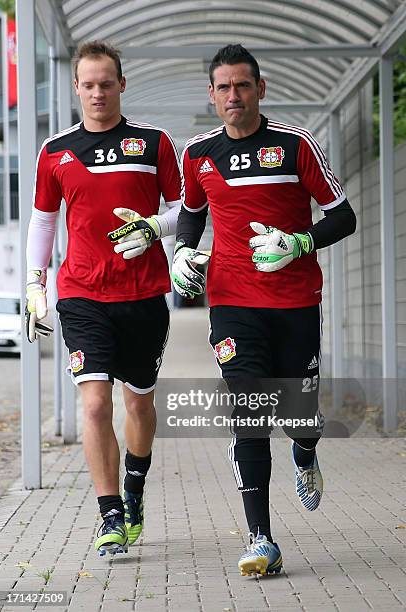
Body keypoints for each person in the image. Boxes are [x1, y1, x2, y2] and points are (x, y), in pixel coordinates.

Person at [172, 44, 356, 577]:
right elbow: (191, 213)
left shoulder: (297, 146)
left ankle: (305, 451)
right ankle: (261, 539)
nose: (234, 95)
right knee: (249, 413)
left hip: (296, 302)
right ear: (212, 96)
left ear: (261, 89)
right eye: (224, 87)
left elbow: (343, 217)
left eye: (243, 85)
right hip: (231, 304)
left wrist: (299, 243)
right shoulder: (198, 155)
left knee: (298, 416)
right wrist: (184, 251)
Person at [25, 41, 181, 557]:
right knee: (94, 404)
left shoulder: (153, 142)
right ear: (76, 87)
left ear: (121, 84)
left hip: (143, 295)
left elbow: (187, 210)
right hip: (82, 293)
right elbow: (44, 219)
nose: (97, 92)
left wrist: (154, 227)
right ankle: (109, 514)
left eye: (106, 83)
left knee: (138, 402)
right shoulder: (55, 151)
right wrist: (34, 283)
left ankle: (134, 489)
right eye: (88, 84)